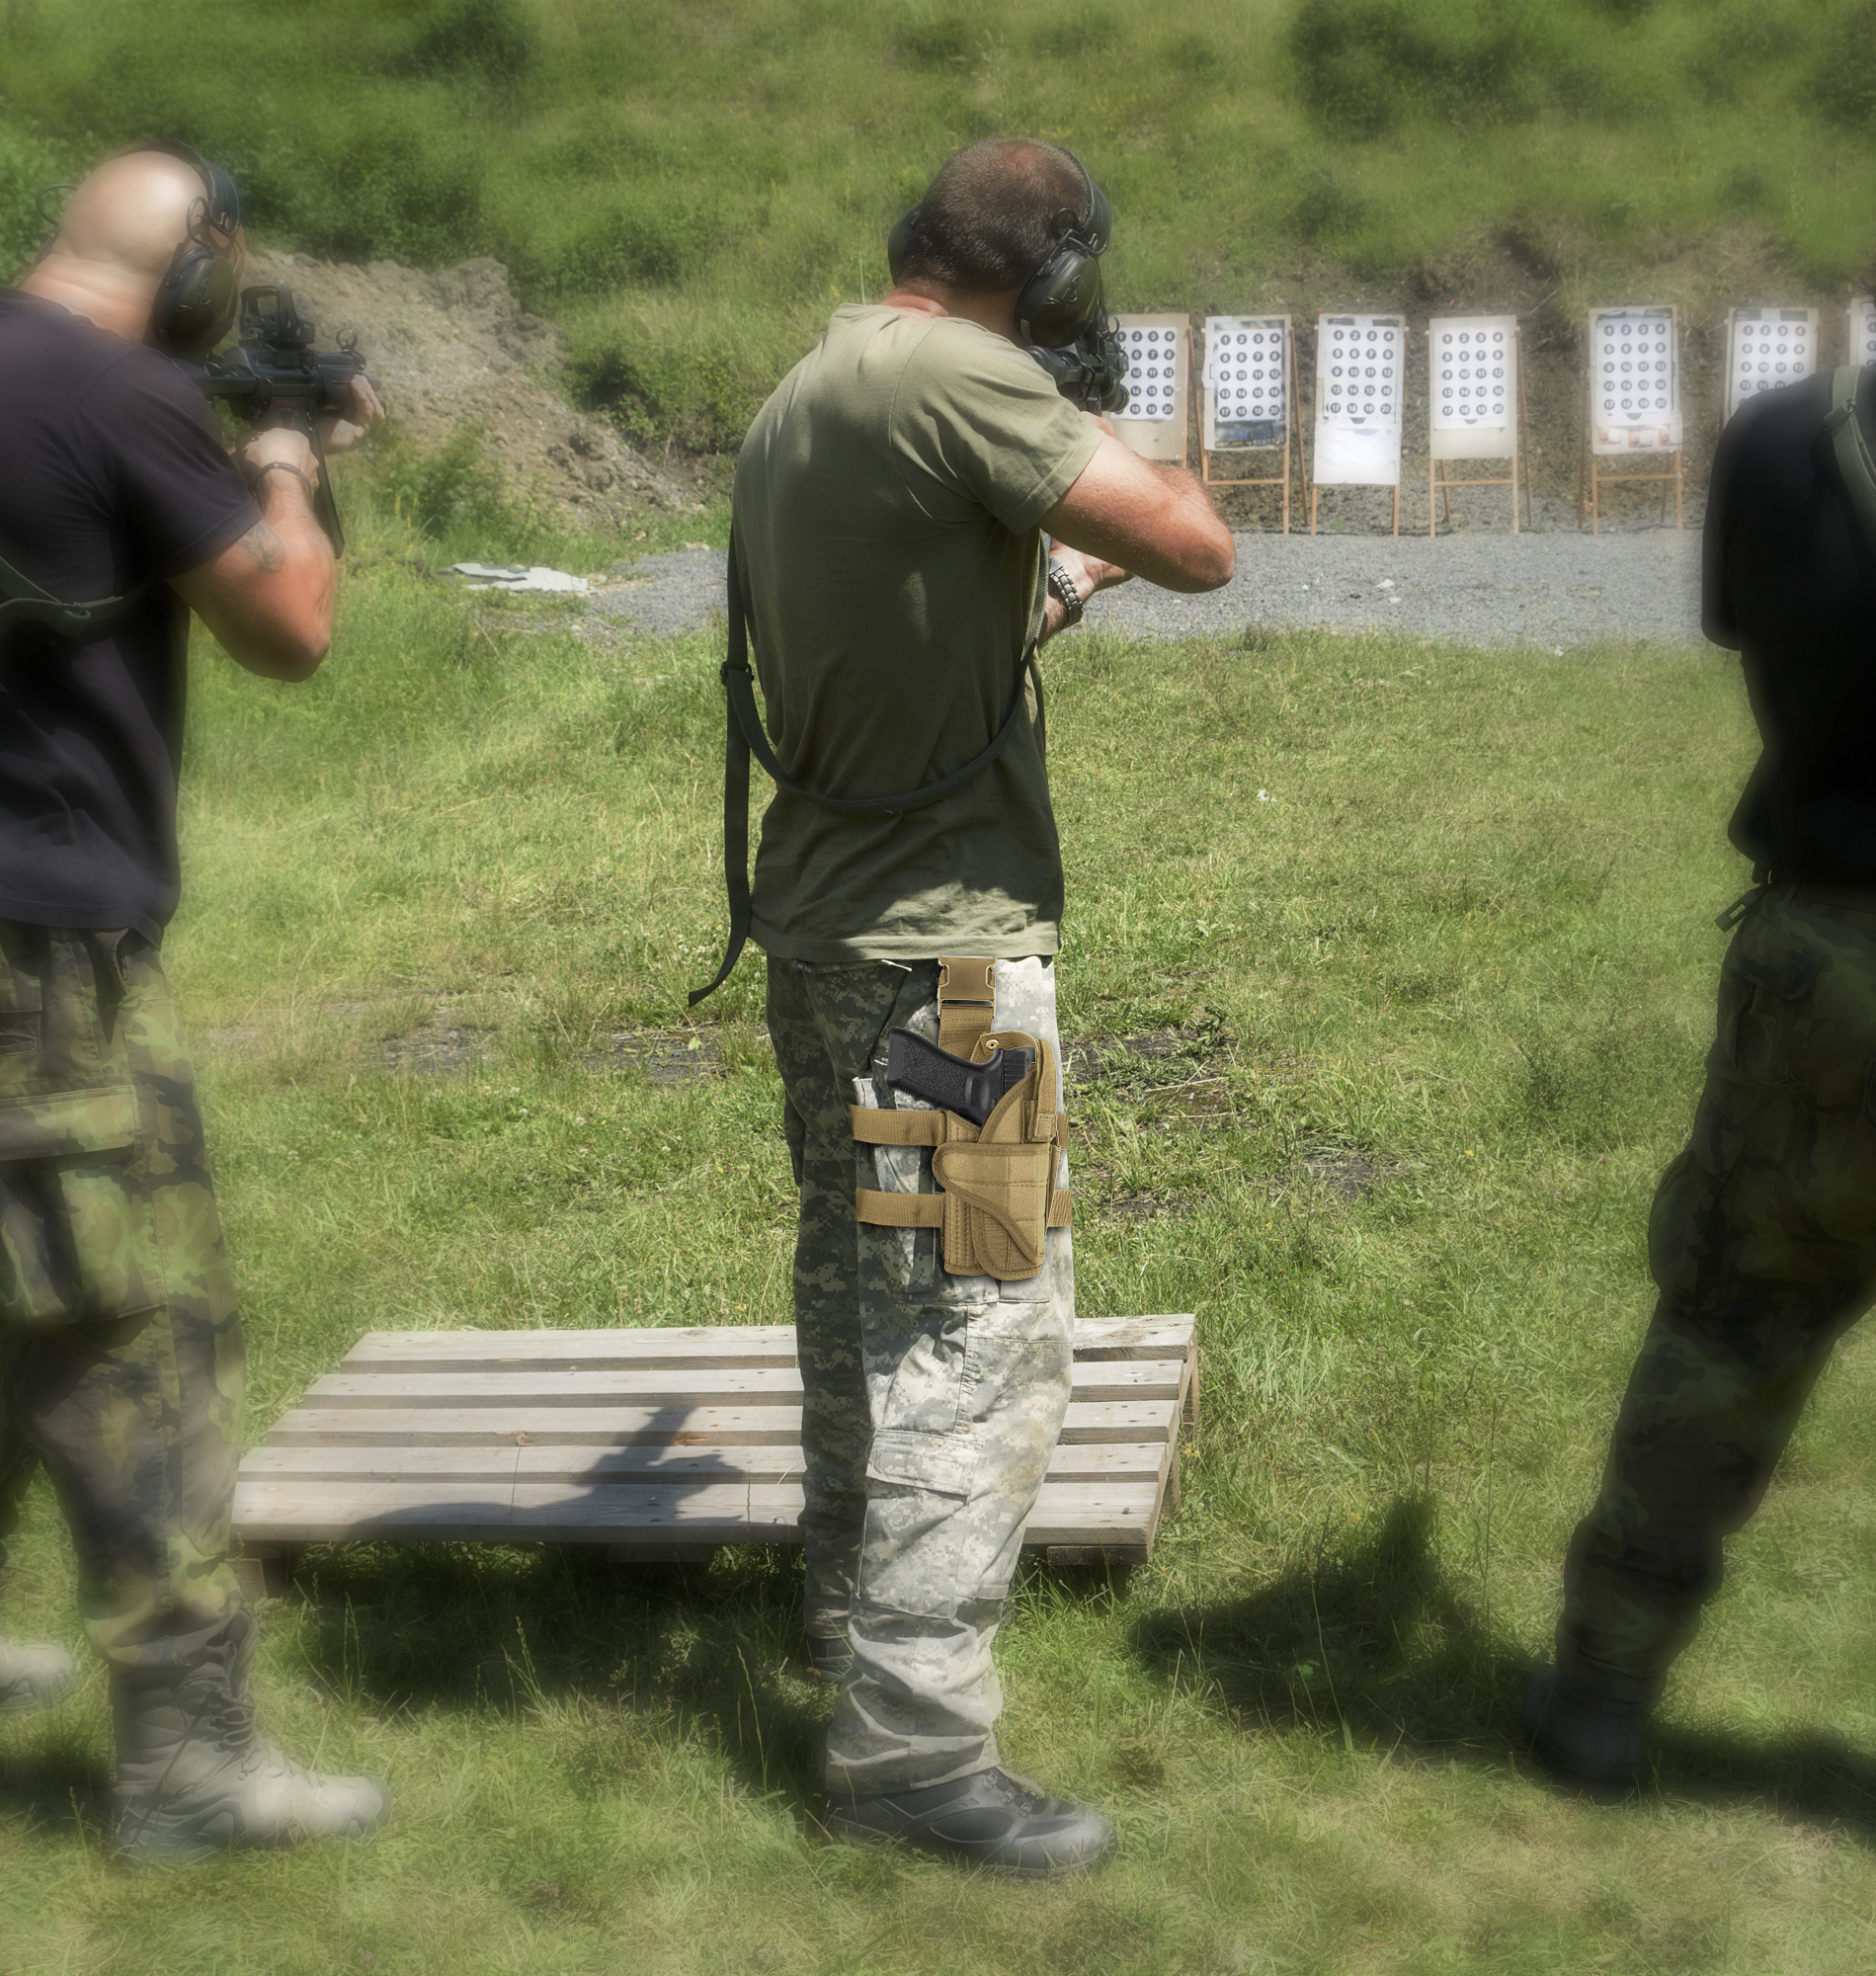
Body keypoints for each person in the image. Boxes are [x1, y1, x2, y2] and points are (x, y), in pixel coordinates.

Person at [715, 138, 1232, 1874]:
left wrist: (1051, 583)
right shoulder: (965, 379)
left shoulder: (818, 386)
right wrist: (1110, 436)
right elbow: (1200, 543)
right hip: (947, 958)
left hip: (825, 932)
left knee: (863, 1305)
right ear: (1056, 282)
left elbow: (912, 638)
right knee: (978, 1329)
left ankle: (848, 1633)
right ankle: (915, 1755)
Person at [1527, 159, 1876, 1797]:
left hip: (1824, 951)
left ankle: (1601, 1693)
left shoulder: (1788, 436)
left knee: (1731, 1326)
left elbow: (1750, 632)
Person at [0, 142, 388, 1861]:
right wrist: (286, 457)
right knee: (135, 1339)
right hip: (44, 958)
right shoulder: (126, 397)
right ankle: (189, 1765)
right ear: (201, 257)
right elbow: (287, 625)